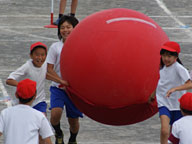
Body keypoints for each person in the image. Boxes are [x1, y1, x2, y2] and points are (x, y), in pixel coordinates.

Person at [6, 41, 67, 144]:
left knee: (41, 132)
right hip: (24, 104)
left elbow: (45, 75)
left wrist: (60, 81)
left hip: (39, 103)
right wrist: (22, 86)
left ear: (46, 56)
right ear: (31, 55)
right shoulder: (27, 66)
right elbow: (9, 80)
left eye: (42, 55)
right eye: (37, 54)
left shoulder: (44, 66)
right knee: (24, 132)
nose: (40, 57)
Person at [46, 15, 83, 144]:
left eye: (68, 27)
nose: (65, 30)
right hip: (58, 89)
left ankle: (72, 139)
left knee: (73, 121)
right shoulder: (55, 47)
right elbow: (48, 71)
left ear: (75, 28)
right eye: (62, 27)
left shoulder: (82, 47)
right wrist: (61, 81)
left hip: (74, 91)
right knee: (55, 115)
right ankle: (58, 133)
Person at [148, 41, 192, 144]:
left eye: (169, 56)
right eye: (164, 56)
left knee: (174, 133)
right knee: (164, 130)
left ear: (176, 57)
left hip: (177, 105)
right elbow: (162, 83)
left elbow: (190, 84)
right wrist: (153, 94)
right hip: (164, 102)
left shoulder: (179, 68)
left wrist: (175, 89)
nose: (166, 59)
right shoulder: (162, 67)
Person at [0, 79, 53, 144]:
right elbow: (48, 141)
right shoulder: (39, 116)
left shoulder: (5, 113)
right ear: (35, 96)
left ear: (16, 95)